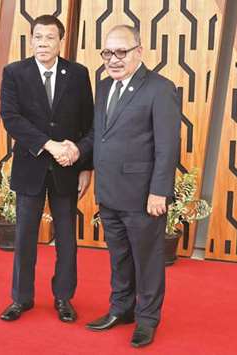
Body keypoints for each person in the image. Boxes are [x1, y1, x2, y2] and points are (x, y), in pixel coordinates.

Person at [72, 25, 181, 347]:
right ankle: (121, 308)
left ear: (139, 51)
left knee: (147, 260)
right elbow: (100, 135)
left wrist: (159, 191)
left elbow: (167, 146)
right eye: (108, 53)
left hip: (143, 195)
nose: (114, 59)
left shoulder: (160, 89)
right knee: (119, 256)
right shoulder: (104, 86)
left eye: (121, 52)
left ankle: (147, 319)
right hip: (109, 192)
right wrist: (84, 163)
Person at [0, 15, 94, 323]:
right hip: (31, 166)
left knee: (66, 238)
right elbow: (11, 118)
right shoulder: (15, 72)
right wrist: (48, 145)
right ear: (31, 39)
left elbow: (87, 123)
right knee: (25, 236)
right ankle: (21, 298)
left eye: (49, 37)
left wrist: (85, 166)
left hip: (68, 169)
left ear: (59, 41)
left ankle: (64, 297)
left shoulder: (78, 74)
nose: (42, 42)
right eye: (37, 37)